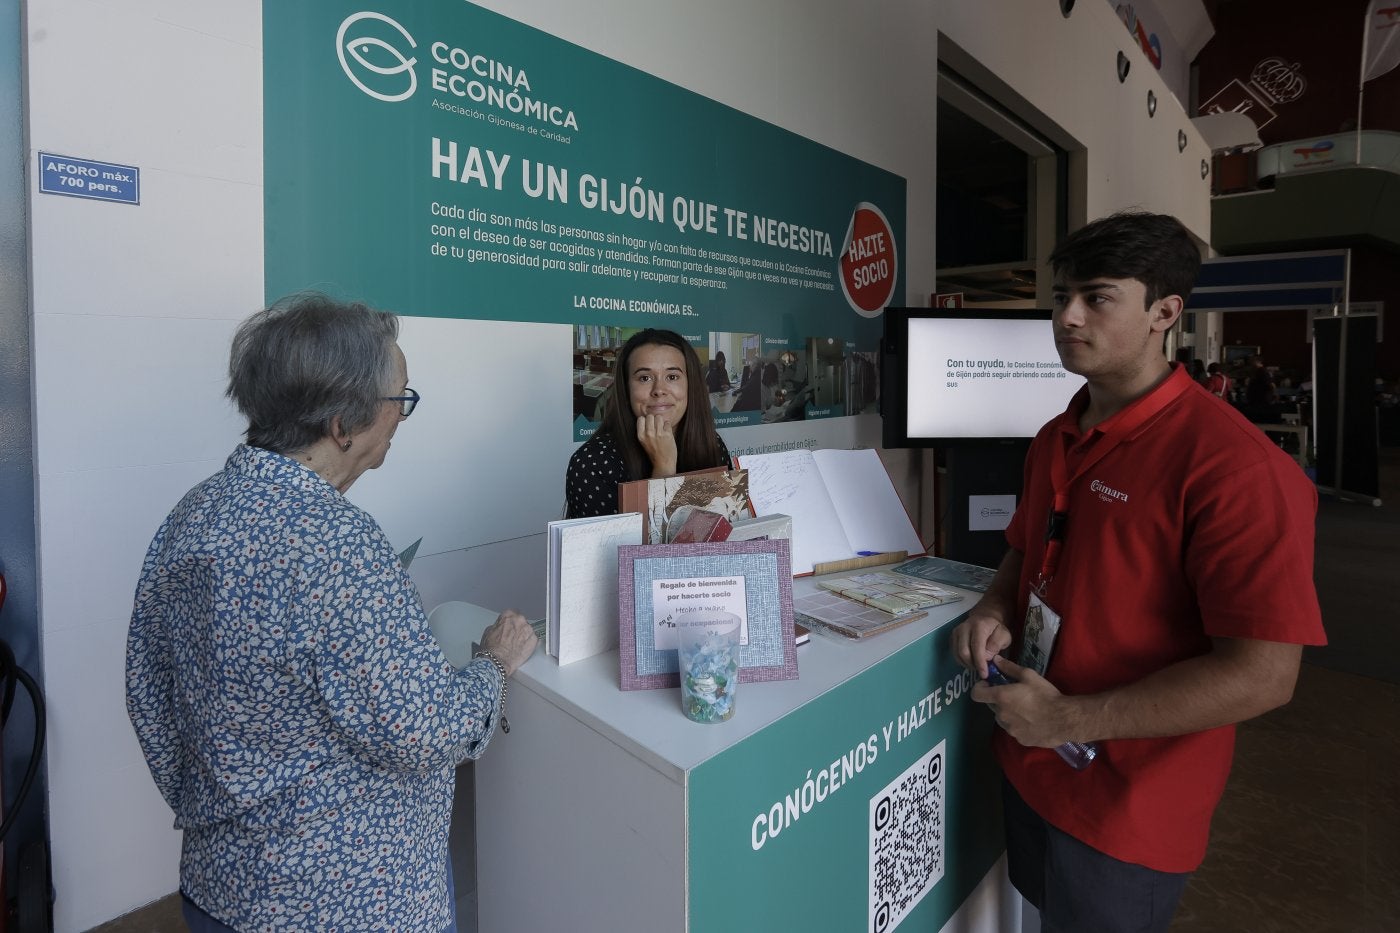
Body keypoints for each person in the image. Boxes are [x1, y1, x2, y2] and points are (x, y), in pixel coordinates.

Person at [950, 212, 1325, 932]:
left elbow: (1264, 674)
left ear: (1165, 311)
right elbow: (1027, 551)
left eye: (1096, 296)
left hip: (1127, 805)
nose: (1066, 316)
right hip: (1030, 765)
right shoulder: (1056, 435)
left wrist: (1067, 718)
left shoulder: (1237, 468)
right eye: (1060, 296)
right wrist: (995, 606)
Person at [125, 294, 538, 933]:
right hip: (347, 899)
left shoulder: (196, 513)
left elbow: (148, 691)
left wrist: (215, 798)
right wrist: (493, 663)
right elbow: (423, 732)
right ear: (344, 423)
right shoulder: (339, 547)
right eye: (400, 399)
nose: (402, 417)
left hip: (219, 885)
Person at [565, 328, 732, 518]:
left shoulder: (712, 443)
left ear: (690, 385)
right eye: (644, 378)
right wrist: (664, 466)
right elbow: (626, 547)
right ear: (627, 389)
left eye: (672, 377)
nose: (659, 390)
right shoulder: (591, 462)